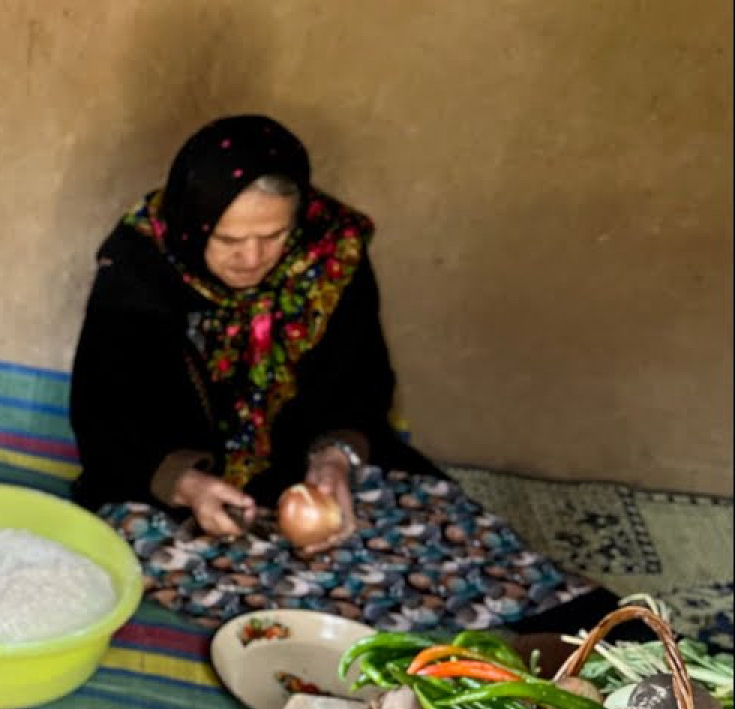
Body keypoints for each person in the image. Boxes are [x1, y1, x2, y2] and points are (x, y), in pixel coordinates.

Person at [67, 115, 598, 632]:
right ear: (194, 223)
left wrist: (335, 461)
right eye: (229, 241)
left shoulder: (331, 254)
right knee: (149, 553)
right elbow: (103, 411)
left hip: (300, 468)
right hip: (170, 491)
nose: (252, 259)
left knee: (468, 547)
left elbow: (363, 378)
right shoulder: (140, 267)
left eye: (273, 236)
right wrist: (186, 485)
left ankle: (602, 661)